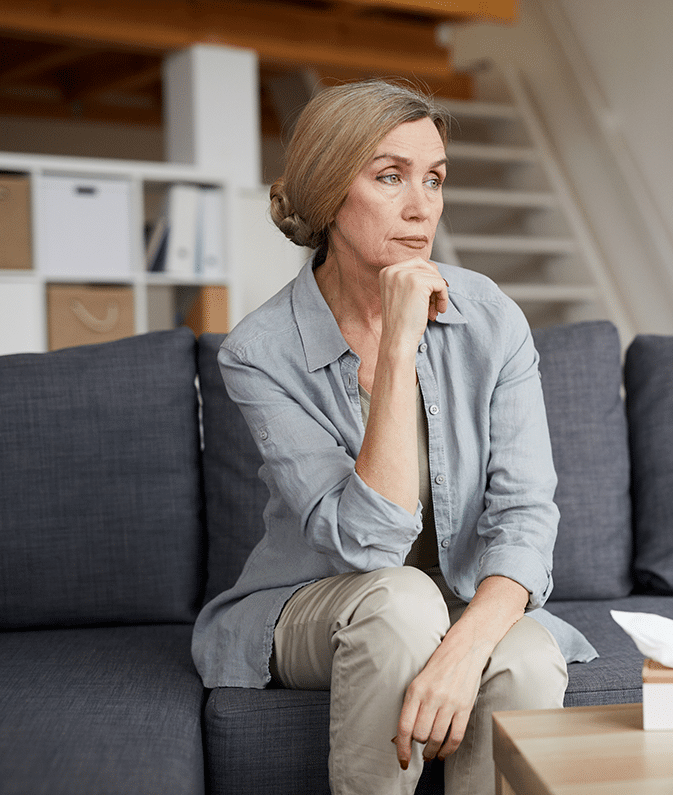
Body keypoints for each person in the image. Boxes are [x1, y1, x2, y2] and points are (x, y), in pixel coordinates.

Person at [191, 78, 595, 795]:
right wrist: (402, 339)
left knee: (526, 658)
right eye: (390, 177)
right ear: (327, 194)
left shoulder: (491, 318)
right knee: (402, 599)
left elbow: (527, 519)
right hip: (317, 603)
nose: (422, 207)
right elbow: (370, 546)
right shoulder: (259, 352)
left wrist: (462, 650)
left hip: (462, 599)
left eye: (434, 179)